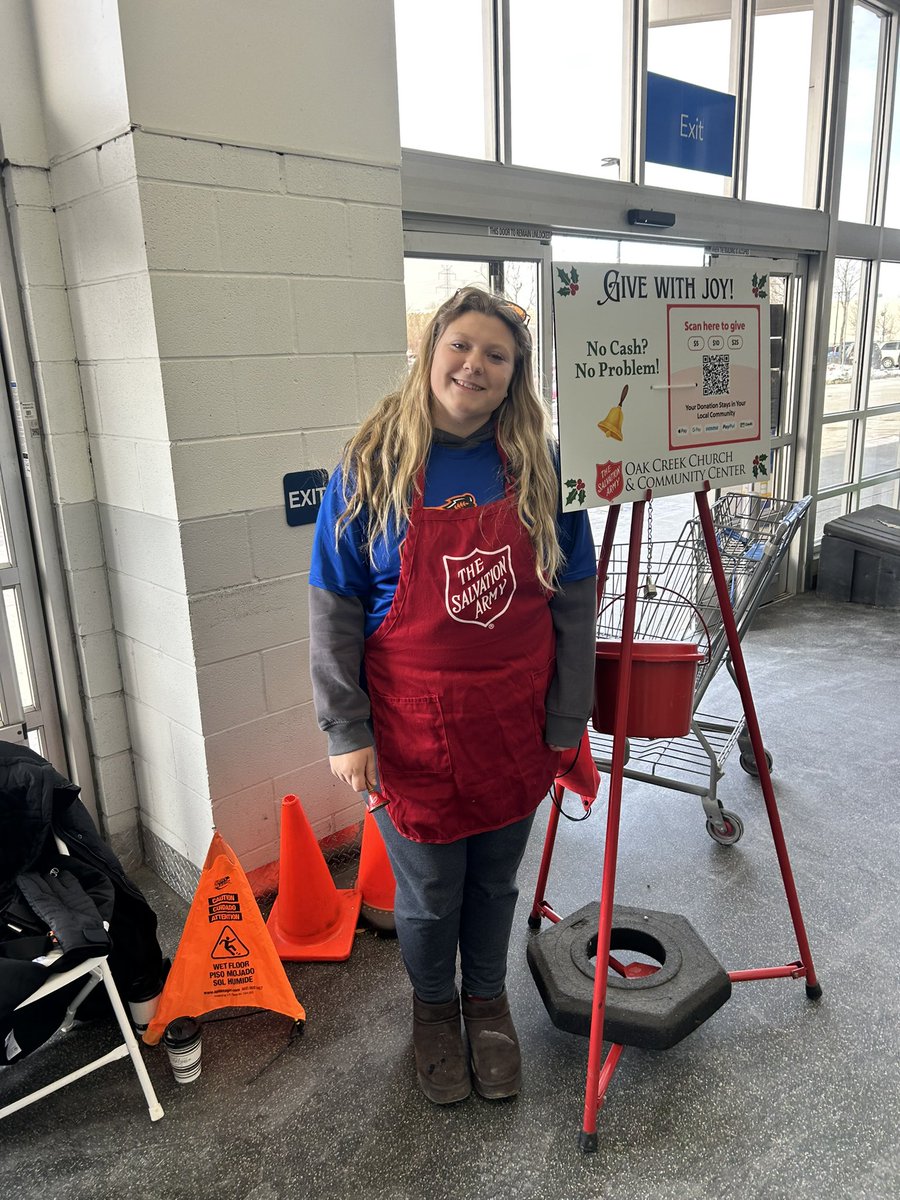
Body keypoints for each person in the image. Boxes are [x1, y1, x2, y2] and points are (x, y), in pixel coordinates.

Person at [309, 286, 597, 1104]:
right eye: (460, 347)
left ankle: (488, 1000)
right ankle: (434, 1011)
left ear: (515, 376)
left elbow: (575, 599)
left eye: (496, 355)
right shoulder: (372, 465)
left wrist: (568, 717)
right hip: (412, 735)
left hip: (517, 727)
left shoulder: (541, 467)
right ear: (430, 353)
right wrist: (345, 728)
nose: (474, 365)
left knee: (496, 882)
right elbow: (332, 604)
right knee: (431, 892)